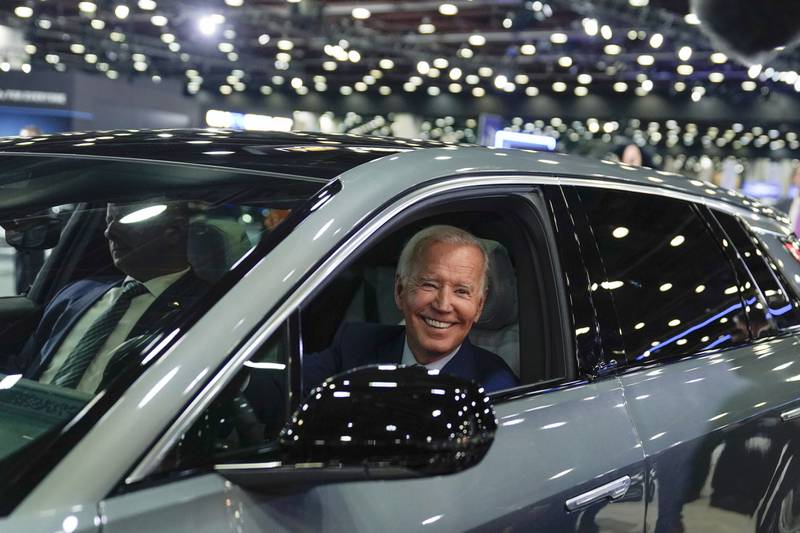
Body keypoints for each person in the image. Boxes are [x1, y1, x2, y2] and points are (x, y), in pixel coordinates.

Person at [7, 200, 209, 393]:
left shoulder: (208, 308)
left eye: (127, 219)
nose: (109, 232)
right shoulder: (75, 294)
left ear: (174, 231)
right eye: (108, 220)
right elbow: (25, 366)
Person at [303, 225, 519, 393]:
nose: (443, 305)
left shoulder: (494, 386)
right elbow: (282, 386)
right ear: (399, 291)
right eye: (429, 284)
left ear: (479, 306)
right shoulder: (356, 345)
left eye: (461, 291)